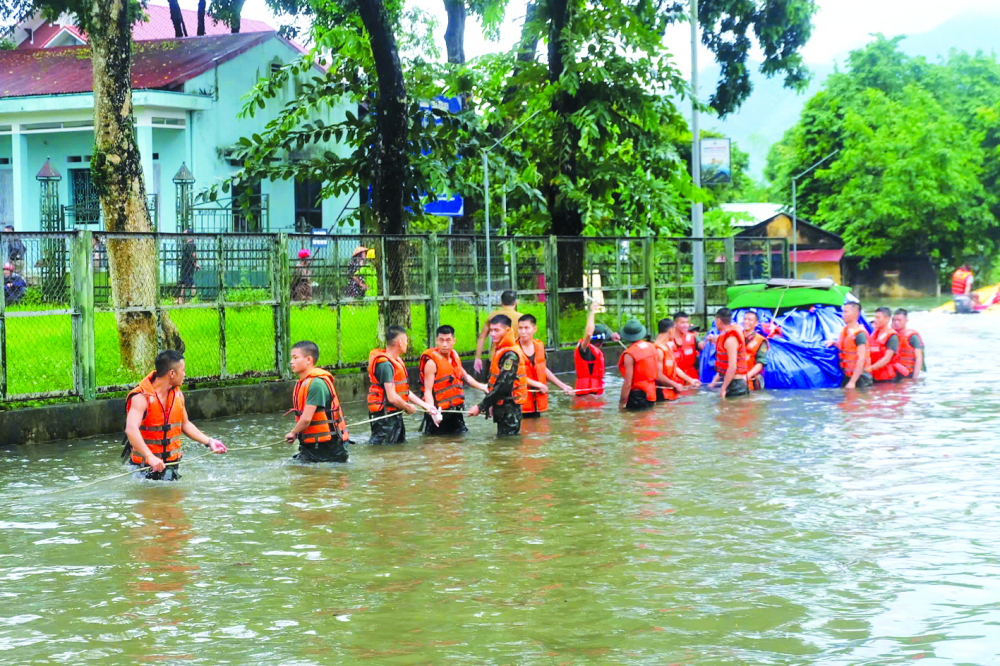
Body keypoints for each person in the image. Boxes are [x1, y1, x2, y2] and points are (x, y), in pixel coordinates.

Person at [121, 350, 227, 480]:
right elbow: (131, 429)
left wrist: (209, 442)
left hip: (171, 467)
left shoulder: (177, 395)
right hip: (143, 469)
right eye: (183, 370)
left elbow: (185, 424)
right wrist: (150, 457)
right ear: (172, 373)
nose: (185, 374)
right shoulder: (140, 397)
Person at [367, 326, 441, 444]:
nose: (407, 343)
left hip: (395, 415)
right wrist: (407, 407)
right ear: (400, 343)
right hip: (385, 418)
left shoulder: (395, 361)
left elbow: (405, 391)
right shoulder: (385, 365)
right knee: (384, 450)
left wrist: (426, 406)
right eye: (406, 340)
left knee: (398, 448)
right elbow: (391, 397)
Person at [283, 341, 350, 462]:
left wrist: (293, 433)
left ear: (308, 359)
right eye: (291, 358)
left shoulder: (316, 384)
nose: (291, 362)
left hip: (327, 448)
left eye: (295, 358)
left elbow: (306, 419)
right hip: (314, 446)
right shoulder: (306, 382)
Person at [418, 325, 488, 435]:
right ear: (436, 341)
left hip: (455, 411)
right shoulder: (431, 363)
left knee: (460, 441)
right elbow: (427, 391)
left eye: (448, 340)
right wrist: (432, 412)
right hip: (438, 412)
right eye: (441, 340)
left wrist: (482, 386)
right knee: (436, 444)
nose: (444, 344)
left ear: (454, 341)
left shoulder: (454, 357)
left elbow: (466, 377)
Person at [468, 315, 528, 436]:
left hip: (509, 410)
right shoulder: (501, 350)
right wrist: (491, 404)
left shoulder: (510, 355)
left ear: (507, 330)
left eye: (497, 330)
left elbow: (504, 385)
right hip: (502, 408)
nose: (492, 334)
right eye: (491, 330)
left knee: (508, 444)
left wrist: (481, 406)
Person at [517, 313, 574, 416]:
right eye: (520, 328)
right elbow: (514, 376)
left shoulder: (539, 346)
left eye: (526, 328)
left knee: (540, 429)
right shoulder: (513, 350)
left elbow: (542, 369)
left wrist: (563, 386)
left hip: (537, 402)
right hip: (519, 404)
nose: (523, 332)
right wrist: (538, 384)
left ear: (534, 329)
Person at [573, 299, 621, 395]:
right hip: (586, 396)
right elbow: (589, 334)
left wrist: (611, 336)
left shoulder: (593, 349)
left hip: (593, 394)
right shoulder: (584, 350)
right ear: (600, 343)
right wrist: (592, 312)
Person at [617, 319, 666, 410]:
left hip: (637, 396)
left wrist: (621, 403)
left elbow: (627, 383)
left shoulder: (629, 354)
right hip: (651, 394)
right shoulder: (651, 347)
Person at [473, 290, 523, 376]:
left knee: (494, 384)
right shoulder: (521, 318)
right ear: (516, 302)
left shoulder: (493, 316)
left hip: (495, 356)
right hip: (515, 357)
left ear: (501, 302)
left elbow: (482, 337)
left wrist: (478, 357)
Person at [826, 301, 872, 389]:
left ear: (855, 314)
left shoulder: (859, 334)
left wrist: (852, 382)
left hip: (860, 377)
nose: (843, 314)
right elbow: (847, 349)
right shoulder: (845, 330)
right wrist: (834, 343)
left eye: (846, 312)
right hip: (848, 374)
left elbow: (861, 359)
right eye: (843, 311)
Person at [653, 318, 699, 401]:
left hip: (670, 393)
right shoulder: (657, 350)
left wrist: (691, 380)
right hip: (661, 394)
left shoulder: (668, 346)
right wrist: (675, 385)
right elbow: (658, 376)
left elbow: (674, 367)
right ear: (671, 331)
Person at [709, 308, 751, 399]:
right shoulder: (726, 335)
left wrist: (723, 388)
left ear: (718, 320)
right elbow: (720, 339)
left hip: (736, 384)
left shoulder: (731, 339)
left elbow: (732, 367)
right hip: (732, 382)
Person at [666, 311, 703, 382]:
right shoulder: (667, 339)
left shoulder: (693, 337)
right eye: (682, 322)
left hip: (692, 377)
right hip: (674, 377)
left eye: (687, 322)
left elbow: (701, 345)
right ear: (675, 324)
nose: (686, 325)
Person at [868, 306, 900, 383]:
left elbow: (886, 359)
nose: (875, 320)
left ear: (887, 319)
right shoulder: (874, 334)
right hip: (874, 375)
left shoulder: (892, 336)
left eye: (878, 318)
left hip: (887, 378)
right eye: (875, 317)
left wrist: (869, 369)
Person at [891, 308, 925, 380]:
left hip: (908, 373)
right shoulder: (891, 335)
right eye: (894, 320)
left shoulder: (912, 336)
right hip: (895, 372)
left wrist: (915, 378)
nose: (896, 322)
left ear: (906, 321)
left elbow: (919, 357)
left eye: (899, 320)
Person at [742, 311, 770, 390]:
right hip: (736, 379)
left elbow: (761, 363)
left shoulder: (760, 341)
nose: (746, 321)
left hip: (751, 381)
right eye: (745, 319)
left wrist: (746, 377)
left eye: (750, 320)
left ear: (756, 323)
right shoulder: (736, 338)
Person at [177, 230, 198, 304]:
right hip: (185, 266)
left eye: (185, 234)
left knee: (190, 282)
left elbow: (194, 255)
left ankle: (194, 298)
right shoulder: (188, 244)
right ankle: (181, 298)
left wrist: (195, 264)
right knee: (184, 282)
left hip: (188, 266)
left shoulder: (191, 244)